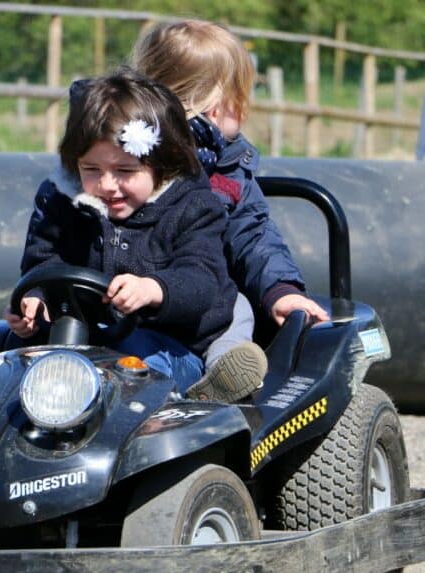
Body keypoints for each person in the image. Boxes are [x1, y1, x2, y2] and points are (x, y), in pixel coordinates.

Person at [132, 19, 330, 401]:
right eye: (241, 99)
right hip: (129, 293)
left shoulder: (230, 172)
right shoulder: (123, 159)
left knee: (235, 306)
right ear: (214, 108)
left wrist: (280, 290)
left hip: (203, 298)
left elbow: (253, 235)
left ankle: (223, 374)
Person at [5, 68, 236, 394]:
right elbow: (42, 259)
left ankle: (179, 404)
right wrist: (36, 299)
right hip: (78, 337)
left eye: (125, 171)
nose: (107, 185)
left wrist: (154, 289)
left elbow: (202, 279)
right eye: (91, 169)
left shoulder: (193, 207)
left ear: (162, 165)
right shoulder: (62, 200)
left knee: (129, 365)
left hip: (170, 346)